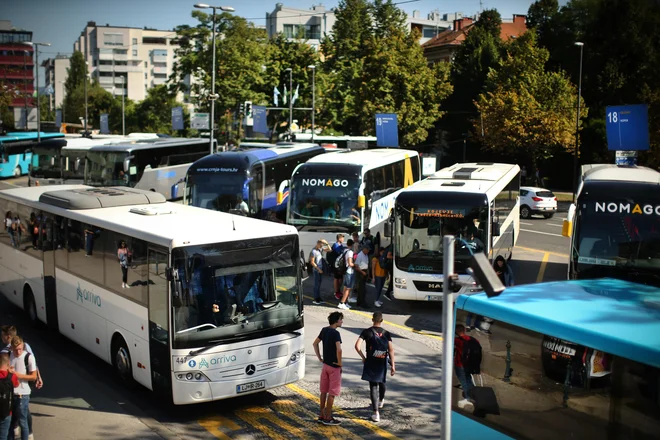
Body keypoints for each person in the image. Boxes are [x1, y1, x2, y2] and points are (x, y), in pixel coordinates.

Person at [355, 312, 395, 422]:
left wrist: (363, 357)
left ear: (372, 319)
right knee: (382, 381)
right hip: (382, 361)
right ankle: (381, 400)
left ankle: (375, 413)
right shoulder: (386, 333)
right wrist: (393, 365)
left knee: (373, 386)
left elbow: (357, 346)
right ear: (382, 320)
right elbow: (391, 350)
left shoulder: (367, 332)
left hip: (371, 361)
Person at [312, 311, 344, 426]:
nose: (342, 321)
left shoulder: (324, 330)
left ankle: (321, 415)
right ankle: (328, 417)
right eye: (341, 319)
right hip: (334, 367)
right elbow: (339, 350)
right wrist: (340, 363)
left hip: (325, 365)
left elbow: (315, 343)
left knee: (323, 391)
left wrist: (320, 358)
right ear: (336, 321)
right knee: (332, 393)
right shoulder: (336, 334)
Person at [8, 336, 37, 440]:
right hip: (10, 393)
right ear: (11, 347)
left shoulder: (28, 357)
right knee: (11, 422)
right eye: (16, 349)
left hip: (23, 394)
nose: (18, 351)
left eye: (20, 349)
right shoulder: (8, 355)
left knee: (22, 422)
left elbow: (33, 376)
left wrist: (17, 375)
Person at [0, 353, 19, 440]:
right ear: (8, 364)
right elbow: (16, 385)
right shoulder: (12, 376)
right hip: (7, 411)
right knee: (3, 436)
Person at [454, 325, 473, 406]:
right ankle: (472, 395)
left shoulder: (457, 340)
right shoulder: (471, 340)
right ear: (464, 330)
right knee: (468, 380)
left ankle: (468, 398)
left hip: (460, 364)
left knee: (464, 381)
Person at [310, 239, 331, 305]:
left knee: (319, 284)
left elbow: (330, 250)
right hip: (316, 270)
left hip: (320, 269)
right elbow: (312, 262)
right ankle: (316, 299)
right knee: (316, 285)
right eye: (322, 244)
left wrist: (327, 243)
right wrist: (318, 269)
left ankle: (318, 298)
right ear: (318, 243)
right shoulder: (313, 251)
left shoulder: (320, 249)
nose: (322, 245)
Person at [338, 239, 355, 310]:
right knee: (348, 288)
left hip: (346, 271)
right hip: (349, 272)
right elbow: (350, 263)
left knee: (345, 287)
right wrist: (356, 265)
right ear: (352, 245)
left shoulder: (345, 250)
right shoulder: (350, 252)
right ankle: (342, 303)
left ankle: (345, 302)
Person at [329, 234, 347, 300]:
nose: (343, 240)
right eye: (342, 238)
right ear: (339, 239)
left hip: (340, 265)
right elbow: (339, 252)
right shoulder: (336, 245)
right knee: (336, 278)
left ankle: (338, 291)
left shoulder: (341, 245)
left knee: (340, 278)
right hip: (336, 264)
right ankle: (336, 292)